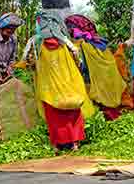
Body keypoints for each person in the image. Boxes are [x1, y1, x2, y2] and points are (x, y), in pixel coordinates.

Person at [22, 11, 89, 152]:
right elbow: (77, 56)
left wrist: (32, 65)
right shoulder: (64, 41)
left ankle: (56, 145)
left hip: (49, 87)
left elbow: (25, 60)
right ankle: (75, 144)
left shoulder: (35, 41)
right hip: (69, 84)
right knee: (72, 112)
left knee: (54, 115)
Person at [65, 14, 129, 120]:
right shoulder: (97, 42)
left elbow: (83, 66)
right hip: (105, 79)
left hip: (95, 80)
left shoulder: (84, 45)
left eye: (71, 29)